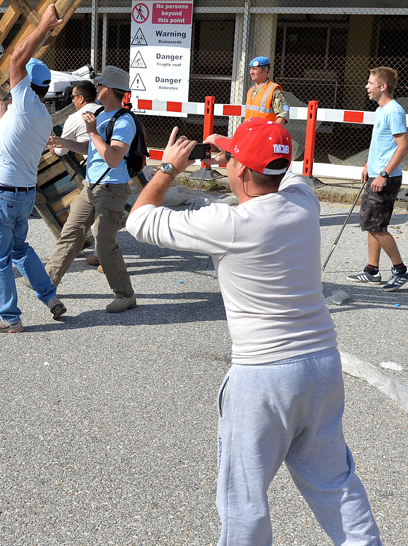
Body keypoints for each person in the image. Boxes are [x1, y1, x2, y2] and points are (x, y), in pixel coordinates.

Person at [127, 119, 381, 546]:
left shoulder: (230, 224)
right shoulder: (303, 202)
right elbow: (287, 171)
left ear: (240, 171)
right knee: (334, 481)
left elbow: (140, 220)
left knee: (244, 498)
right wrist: (249, 148)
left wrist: (169, 167)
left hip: (264, 376)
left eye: (231, 160)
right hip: (321, 364)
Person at [0, 3, 67, 333]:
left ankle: (8, 317)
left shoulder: (27, 100)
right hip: (22, 196)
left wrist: (44, 27)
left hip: (0, 196)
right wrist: (0, 106)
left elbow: (16, 58)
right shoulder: (37, 115)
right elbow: (7, 133)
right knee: (19, 250)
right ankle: (49, 297)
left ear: (30, 84)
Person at [44, 66, 139, 313]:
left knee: (104, 242)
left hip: (112, 189)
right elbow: (93, 149)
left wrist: (94, 131)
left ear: (108, 89)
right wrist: (63, 142)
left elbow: (114, 158)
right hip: (91, 186)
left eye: (99, 85)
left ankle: (125, 295)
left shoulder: (124, 120)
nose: (95, 89)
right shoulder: (100, 113)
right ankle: (46, 283)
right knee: (71, 233)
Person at [347, 66, 408, 291]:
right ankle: (372, 270)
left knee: (376, 226)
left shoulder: (394, 111)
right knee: (370, 224)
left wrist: (383, 174)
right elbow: (381, 145)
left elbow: (403, 148)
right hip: (376, 174)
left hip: (386, 178)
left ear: (382, 86)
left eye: (370, 82)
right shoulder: (380, 110)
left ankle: (401, 269)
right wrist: (369, 165)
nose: (366, 86)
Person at [52, 80, 99, 158]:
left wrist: (55, 150)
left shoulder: (74, 118)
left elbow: (62, 150)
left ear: (81, 98)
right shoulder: (106, 111)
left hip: (93, 164)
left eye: (73, 97)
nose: (73, 100)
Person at [244, 56, 289, 125]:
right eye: (251, 69)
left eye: (255, 69)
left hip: (264, 134)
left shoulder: (273, 90)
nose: (251, 72)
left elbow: (283, 114)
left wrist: (274, 130)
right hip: (249, 133)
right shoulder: (250, 91)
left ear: (265, 71)